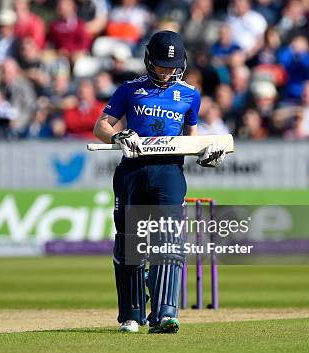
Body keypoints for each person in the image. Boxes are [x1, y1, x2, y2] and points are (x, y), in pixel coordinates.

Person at [93, 31, 226, 334]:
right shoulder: (129, 89)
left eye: (171, 66)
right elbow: (100, 126)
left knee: (167, 238)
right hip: (132, 171)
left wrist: (206, 154)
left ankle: (165, 314)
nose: (166, 72)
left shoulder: (190, 94)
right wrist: (118, 136)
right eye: (160, 65)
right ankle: (131, 314)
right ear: (148, 60)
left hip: (168, 172)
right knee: (129, 242)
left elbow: (190, 140)